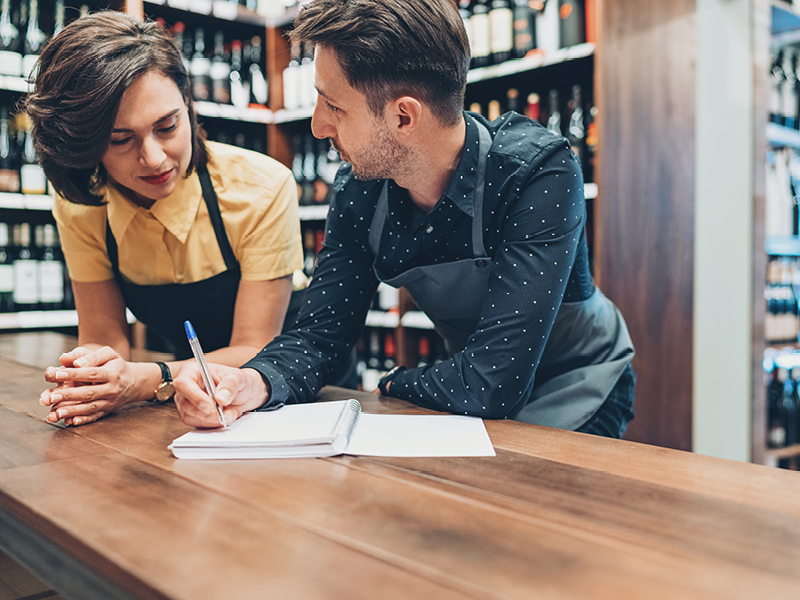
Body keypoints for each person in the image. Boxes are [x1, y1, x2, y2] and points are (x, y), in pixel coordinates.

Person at [174, 0, 636, 438]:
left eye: (333, 106)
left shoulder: (536, 172)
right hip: (473, 393)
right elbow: (320, 337)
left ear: (403, 117)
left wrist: (396, 381)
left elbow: (492, 382)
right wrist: (252, 382)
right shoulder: (360, 189)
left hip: (580, 386)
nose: (317, 126)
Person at [27, 12, 303, 426]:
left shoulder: (263, 188)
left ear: (188, 106)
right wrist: (88, 375)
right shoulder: (83, 207)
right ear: (84, 148)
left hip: (287, 394)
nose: (154, 158)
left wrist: (144, 380)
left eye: (168, 126)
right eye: (121, 140)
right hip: (187, 406)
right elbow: (104, 337)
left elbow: (253, 348)